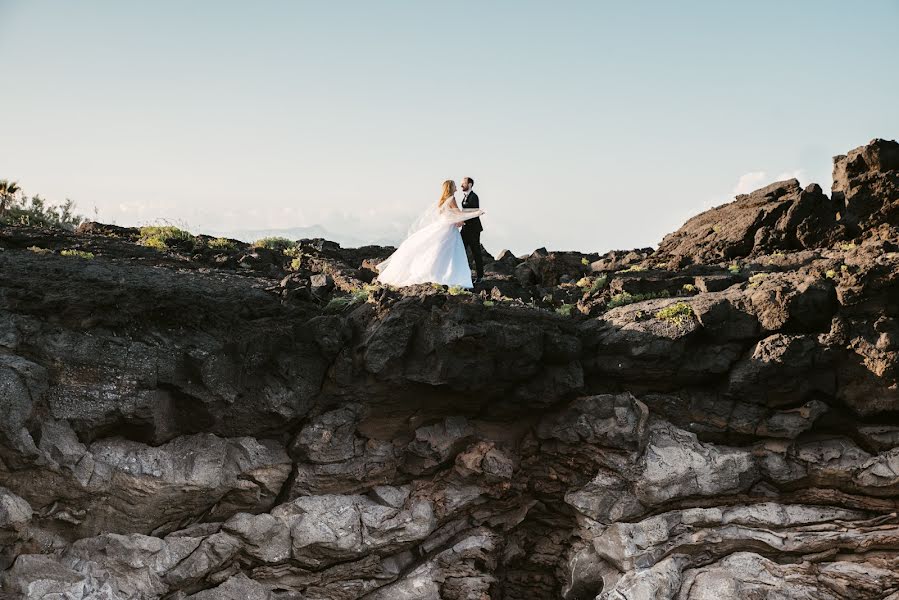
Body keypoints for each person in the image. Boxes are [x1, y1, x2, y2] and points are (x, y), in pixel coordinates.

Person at [376, 180, 485, 288]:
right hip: (449, 229)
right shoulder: (452, 198)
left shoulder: (443, 200)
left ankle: (437, 272)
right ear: (451, 187)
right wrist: (477, 213)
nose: (458, 186)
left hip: (444, 226)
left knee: (440, 251)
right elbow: (458, 214)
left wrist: (457, 221)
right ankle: (446, 274)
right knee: (449, 252)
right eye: (455, 185)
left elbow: (446, 215)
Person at [459, 177, 484, 283]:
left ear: (469, 184)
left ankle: (480, 276)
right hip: (465, 229)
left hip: (473, 230)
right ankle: (461, 274)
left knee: (476, 252)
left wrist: (460, 215)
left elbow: (473, 212)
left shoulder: (474, 197)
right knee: (460, 251)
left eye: (463, 183)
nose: (461, 185)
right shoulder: (465, 197)